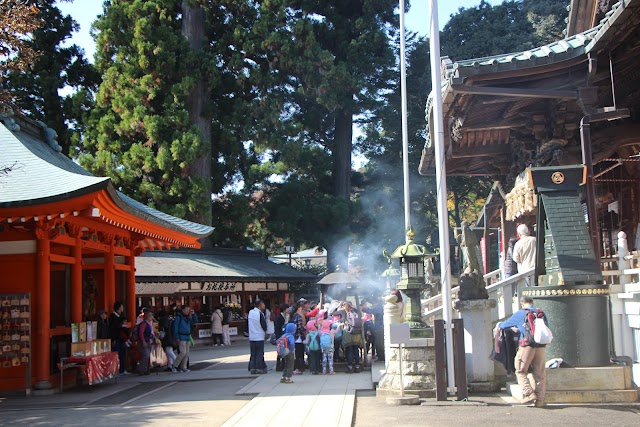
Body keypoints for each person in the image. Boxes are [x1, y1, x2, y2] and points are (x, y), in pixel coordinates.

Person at [498, 296, 547, 407]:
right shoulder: (540, 313)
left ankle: (529, 393)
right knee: (540, 373)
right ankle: (540, 400)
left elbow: (505, 325)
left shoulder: (522, 313)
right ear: (532, 303)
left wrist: (499, 325)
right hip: (541, 345)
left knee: (520, 370)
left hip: (527, 345)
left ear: (522, 304)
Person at [173, 305, 198, 373]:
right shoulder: (179, 318)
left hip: (187, 337)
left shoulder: (187, 318)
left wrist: (193, 314)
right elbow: (175, 327)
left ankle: (183, 367)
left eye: (188, 310)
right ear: (183, 310)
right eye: (187, 310)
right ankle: (175, 365)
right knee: (183, 352)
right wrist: (176, 337)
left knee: (186, 353)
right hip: (181, 336)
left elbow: (194, 321)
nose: (188, 311)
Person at [108, 301, 129, 375]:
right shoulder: (112, 316)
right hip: (116, 338)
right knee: (116, 354)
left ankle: (122, 369)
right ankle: (116, 370)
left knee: (122, 354)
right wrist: (113, 339)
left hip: (121, 338)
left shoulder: (120, 317)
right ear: (119, 307)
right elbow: (112, 329)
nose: (123, 308)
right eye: (122, 306)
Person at [342, 301, 363, 374]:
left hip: (349, 334)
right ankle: (357, 367)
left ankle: (350, 368)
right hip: (357, 334)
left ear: (346, 307)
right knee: (356, 350)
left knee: (349, 351)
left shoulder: (347, 314)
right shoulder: (357, 312)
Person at [248, 299, 268, 374]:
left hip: (252, 336)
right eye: (263, 304)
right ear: (260, 305)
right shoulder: (260, 313)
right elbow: (263, 325)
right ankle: (259, 368)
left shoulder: (250, 312)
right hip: (259, 336)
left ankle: (252, 368)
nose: (264, 305)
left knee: (253, 353)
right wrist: (265, 331)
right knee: (259, 353)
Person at [136, 311, 156, 375]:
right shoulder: (144, 324)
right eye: (151, 316)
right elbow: (141, 333)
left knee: (148, 356)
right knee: (146, 355)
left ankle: (147, 369)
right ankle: (140, 369)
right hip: (144, 341)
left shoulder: (150, 324)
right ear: (148, 317)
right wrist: (143, 341)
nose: (152, 318)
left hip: (149, 341)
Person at [291, 302, 307, 375]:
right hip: (299, 337)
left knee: (297, 353)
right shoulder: (299, 316)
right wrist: (305, 329)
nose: (302, 309)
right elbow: (300, 327)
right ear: (298, 308)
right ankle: (299, 367)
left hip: (294, 337)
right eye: (301, 308)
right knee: (300, 353)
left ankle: (297, 367)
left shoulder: (294, 316)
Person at [274, 303, 288, 371]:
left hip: (283, 336)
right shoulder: (278, 317)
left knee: (283, 351)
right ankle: (279, 365)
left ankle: (283, 364)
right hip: (280, 336)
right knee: (280, 351)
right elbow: (277, 328)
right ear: (285, 309)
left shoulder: (284, 316)